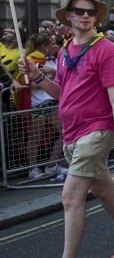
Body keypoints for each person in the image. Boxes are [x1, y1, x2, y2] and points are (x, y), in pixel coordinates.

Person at [21, 0, 114, 258]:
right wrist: (37, 77)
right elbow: (62, 92)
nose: (85, 15)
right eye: (78, 11)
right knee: (104, 189)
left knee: (71, 196)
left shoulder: (106, 50)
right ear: (69, 16)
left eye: (91, 11)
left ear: (97, 17)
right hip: (72, 132)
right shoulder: (65, 49)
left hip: (98, 129)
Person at [22, 33, 65, 179]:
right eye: (53, 44)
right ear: (44, 47)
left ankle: (51, 166)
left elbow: (63, 76)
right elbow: (32, 84)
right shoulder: (31, 61)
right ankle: (33, 169)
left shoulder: (54, 60)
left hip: (53, 102)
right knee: (35, 137)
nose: (56, 46)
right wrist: (46, 79)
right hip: (39, 105)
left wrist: (51, 72)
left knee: (65, 132)